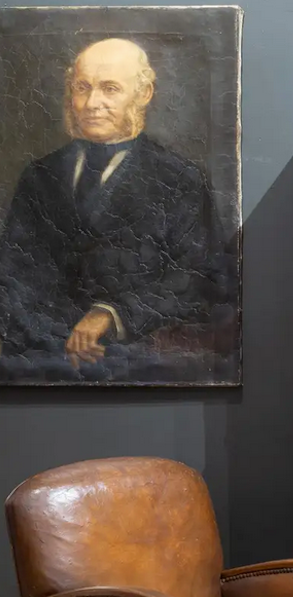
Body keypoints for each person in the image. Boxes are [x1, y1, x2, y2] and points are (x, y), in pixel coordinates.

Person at [0, 37, 234, 378]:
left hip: (141, 363)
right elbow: (12, 276)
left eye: (110, 88)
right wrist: (60, 338)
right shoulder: (40, 176)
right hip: (40, 358)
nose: (93, 103)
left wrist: (112, 314)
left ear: (144, 94)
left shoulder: (180, 179)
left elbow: (202, 281)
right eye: (83, 87)